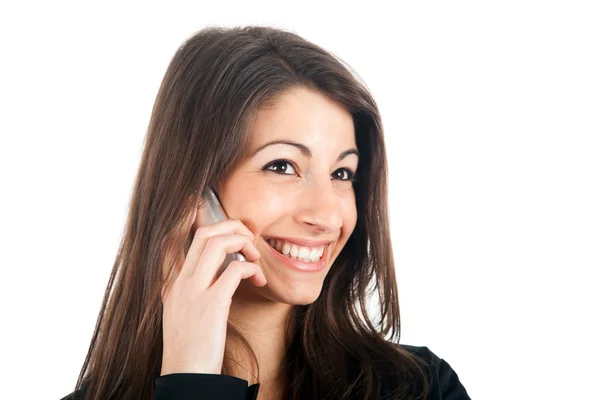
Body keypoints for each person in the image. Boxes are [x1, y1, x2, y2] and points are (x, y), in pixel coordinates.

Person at [60, 25, 470, 400]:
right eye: (282, 166)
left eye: (342, 173)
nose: (326, 215)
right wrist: (191, 380)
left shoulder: (422, 389)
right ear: (195, 194)